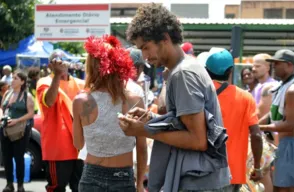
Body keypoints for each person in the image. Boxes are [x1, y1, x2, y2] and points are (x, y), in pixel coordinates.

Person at [119, 4, 231, 192]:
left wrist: (144, 130)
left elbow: (198, 140)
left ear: (165, 38)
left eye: (146, 48)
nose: (145, 57)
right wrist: (153, 120)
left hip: (198, 183)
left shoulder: (183, 74)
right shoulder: (181, 69)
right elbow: (184, 124)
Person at [72, 35, 148, 192]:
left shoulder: (81, 101)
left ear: (91, 68)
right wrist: (140, 183)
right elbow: (141, 148)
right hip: (123, 177)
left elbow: (78, 145)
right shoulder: (135, 101)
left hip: (91, 176)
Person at [203, 48, 263, 191]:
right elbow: (256, 135)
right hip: (232, 173)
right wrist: (257, 167)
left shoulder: (200, 94)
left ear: (206, 70)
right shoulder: (245, 97)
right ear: (230, 71)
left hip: (202, 170)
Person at [259, 49, 294, 192]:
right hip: (282, 144)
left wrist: (260, 128)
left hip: (291, 146)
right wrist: (254, 124)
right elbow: (273, 114)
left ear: (289, 65)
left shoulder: (293, 90)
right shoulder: (282, 87)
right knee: (277, 187)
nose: (273, 66)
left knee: (285, 189)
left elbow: (289, 125)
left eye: (277, 63)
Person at [36, 50, 84, 192]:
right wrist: (57, 76)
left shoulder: (80, 84)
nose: (61, 63)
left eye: (63, 60)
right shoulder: (44, 82)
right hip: (58, 147)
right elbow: (49, 101)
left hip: (80, 147)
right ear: (50, 65)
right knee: (56, 188)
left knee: (81, 188)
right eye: (56, 61)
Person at [1, 71, 34, 192]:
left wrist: (16, 120)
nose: (12, 80)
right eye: (13, 78)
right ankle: (9, 184)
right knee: (6, 158)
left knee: (19, 158)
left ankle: (20, 185)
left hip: (20, 131)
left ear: (22, 81)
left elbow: (31, 113)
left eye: (15, 78)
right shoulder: (7, 94)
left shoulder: (27, 96)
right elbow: (1, 108)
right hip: (5, 130)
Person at [252, 54, 278, 118]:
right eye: (253, 66)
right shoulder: (258, 86)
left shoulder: (271, 86)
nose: (253, 69)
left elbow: (261, 115)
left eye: (258, 66)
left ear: (268, 68)